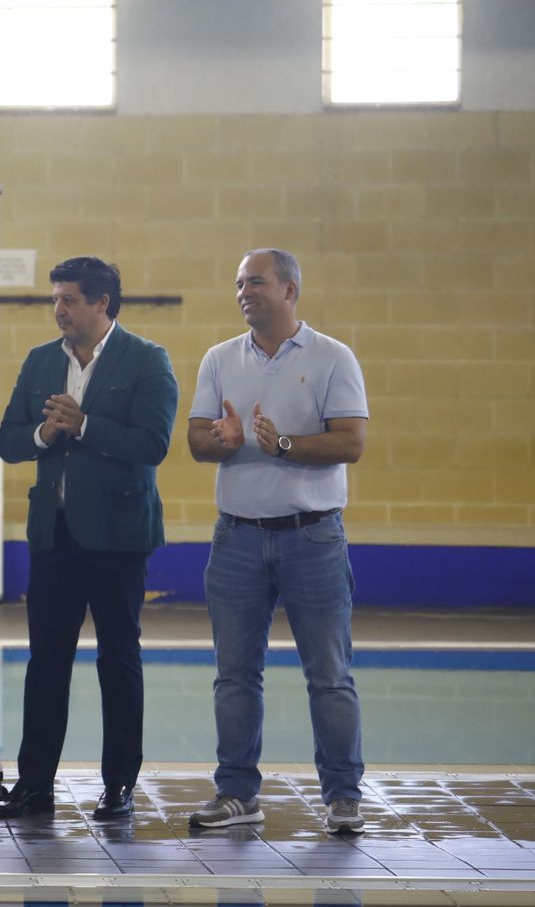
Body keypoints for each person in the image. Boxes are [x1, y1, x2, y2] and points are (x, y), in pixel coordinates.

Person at [186, 248, 369, 835]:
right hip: (237, 539)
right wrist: (220, 439)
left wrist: (283, 444)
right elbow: (195, 441)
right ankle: (237, 793)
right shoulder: (219, 359)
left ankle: (343, 797)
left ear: (290, 289)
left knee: (329, 674)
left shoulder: (332, 357)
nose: (244, 292)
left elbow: (350, 443)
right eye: (239, 283)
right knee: (235, 674)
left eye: (256, 282)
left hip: (312, 538)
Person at [0, 257, 178, 822]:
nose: (59, 309)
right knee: (46, 661)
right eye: (55, 299)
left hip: (119, 536)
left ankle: (118, 786)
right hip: (54, 534)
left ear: (102, 303)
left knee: (118, 658)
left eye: (69, 299)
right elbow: (7, 440)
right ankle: (34, 785)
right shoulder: (41, 360)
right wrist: (45, 433)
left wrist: (85, 424)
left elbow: (153, 443)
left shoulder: (146, 359)